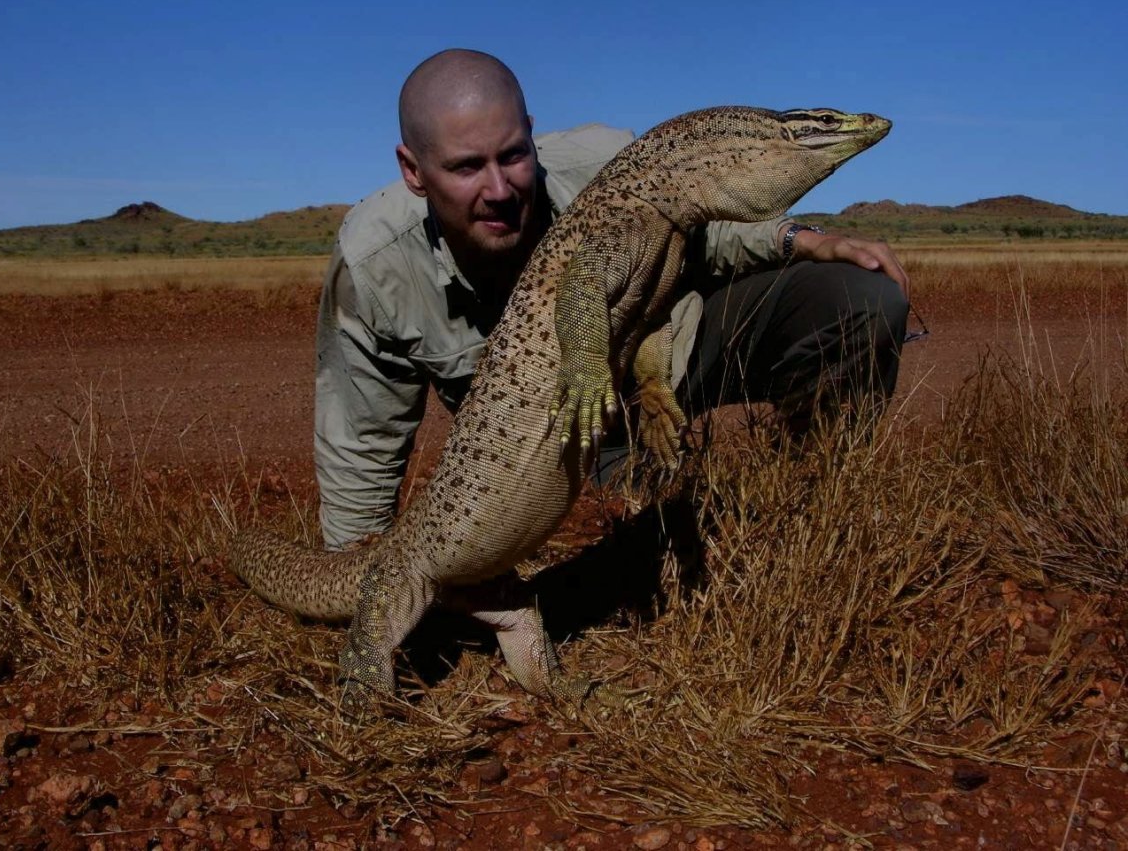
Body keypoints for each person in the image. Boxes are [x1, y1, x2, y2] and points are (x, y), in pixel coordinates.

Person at [314, 49, 909, 549]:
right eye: (467, 167)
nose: (499, 188)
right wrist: (355, 571)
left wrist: (802, 239)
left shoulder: (609, 165)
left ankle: (819, 510)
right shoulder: (375, 264)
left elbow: (708, 220)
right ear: (413, 171)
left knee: (858, 296)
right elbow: (361, 439)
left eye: (514, 155)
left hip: (667, 352)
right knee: (631, 530)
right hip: (558, 430)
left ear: (531, 133)